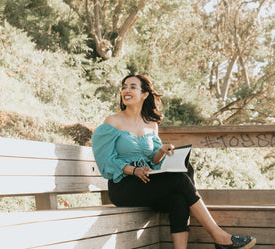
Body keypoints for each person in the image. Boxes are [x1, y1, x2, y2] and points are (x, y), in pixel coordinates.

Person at [91, 73, 256, 249]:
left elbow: (153, 161)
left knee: (178, 199)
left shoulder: (151, 125)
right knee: (179, 180)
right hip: (124, 186)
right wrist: (133, 170)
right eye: (124, 87)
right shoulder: (112, 122)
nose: (126, 90)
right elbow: (105, 162)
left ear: (145, 94)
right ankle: (219, 236)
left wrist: (161, 151)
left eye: (132, 87)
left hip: (146, 182)